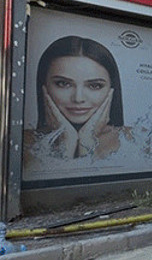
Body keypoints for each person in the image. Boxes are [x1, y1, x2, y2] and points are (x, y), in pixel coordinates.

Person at [23, 36, 131, 167]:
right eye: (63, 84)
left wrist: (87, 141)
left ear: (111, 90)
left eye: (95, 86)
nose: (78, 98)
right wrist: (66, 143)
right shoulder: (23, 143)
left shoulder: (133, 139)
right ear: (44, 86)